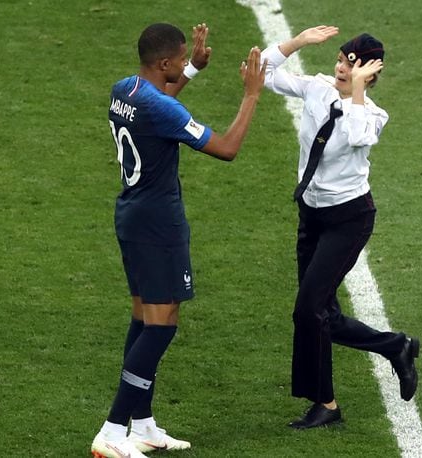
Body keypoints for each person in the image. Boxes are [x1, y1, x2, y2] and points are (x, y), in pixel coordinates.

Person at [91, 23, 266, 458]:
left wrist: (191, 70)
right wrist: (251, 94)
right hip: (159, 226)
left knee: (143, 317)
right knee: (161, 325)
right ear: (164, 62)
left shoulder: (123, 90)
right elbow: (226, 148)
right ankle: (112, 431)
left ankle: (143, 426)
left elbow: (158, 108)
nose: (189, 57)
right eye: (182, 56)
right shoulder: (158, 107)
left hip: (131, 216)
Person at [260, 26, 421, 429]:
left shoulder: (373, 114)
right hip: (311, 216)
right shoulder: (317, 88)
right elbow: (262, 71)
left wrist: (358, 93)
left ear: (371, 73)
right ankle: (396, 346)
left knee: (309, 309)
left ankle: (326, 405)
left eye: (353, 65)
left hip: (349, 219)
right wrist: (296, 43)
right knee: (322, 313)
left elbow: (355, 134)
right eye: (340, 60)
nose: (341, 69)